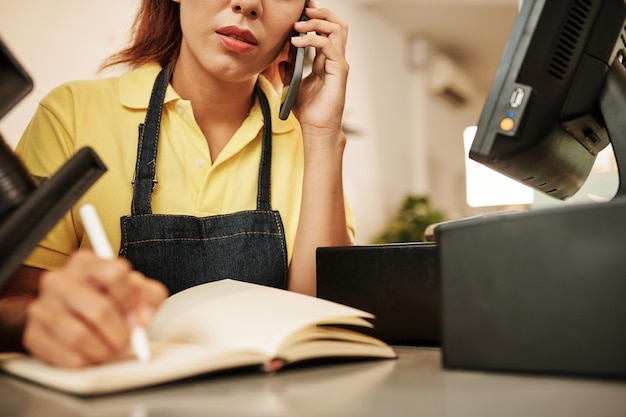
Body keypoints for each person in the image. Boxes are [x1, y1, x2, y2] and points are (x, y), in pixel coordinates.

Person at [0, 0, 353, 367]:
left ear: (303, 19)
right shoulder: (71, 114)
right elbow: (13, 300)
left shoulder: (307, 139)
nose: (248, 4)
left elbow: (322, 324)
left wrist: (322, 133)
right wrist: (43, 321)